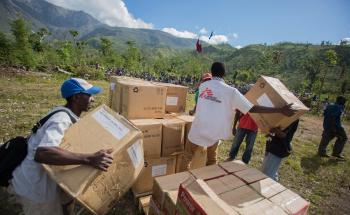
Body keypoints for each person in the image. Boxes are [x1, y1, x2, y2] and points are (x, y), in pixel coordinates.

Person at [8, 78, 114, 215]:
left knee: (66, 199)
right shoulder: (61, 119)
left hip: (50, 179)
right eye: (89, 95)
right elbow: (43, 153)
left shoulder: (67, 113)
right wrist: (89, 159)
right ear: (76, 97)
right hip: (36, 187)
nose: (93, 99)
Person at [187, 62, 296, 168]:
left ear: (212, 72)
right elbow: (251, 108)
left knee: (187, 158)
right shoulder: (231, 92)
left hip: (198, 129)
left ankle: (177, 182)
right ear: (224, 74)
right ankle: (207, 183)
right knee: (211, 162)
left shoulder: (203, 86)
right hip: (214, 133)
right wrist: (279, 110)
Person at [318, 96, 348, 160]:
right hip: (336, 126)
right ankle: (336, 153)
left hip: (327, 125)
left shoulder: (329, 105)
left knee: (327, 137)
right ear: (341, 101)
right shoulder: (339, 107)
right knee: (343, 138)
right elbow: (333, 116)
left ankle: (321, 151)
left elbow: (325, 113)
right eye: (344, 101)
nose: (345, 103)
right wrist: (334, 128)